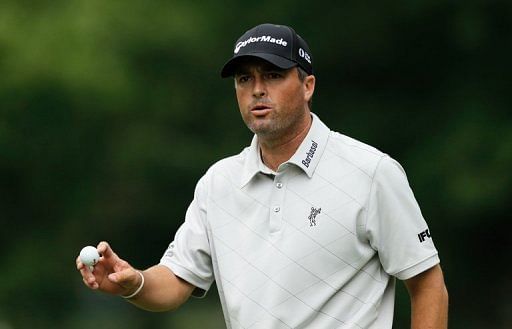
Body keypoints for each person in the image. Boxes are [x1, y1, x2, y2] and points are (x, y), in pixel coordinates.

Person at [76, 23, 449, 328]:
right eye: (244, 79)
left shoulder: (371, 172)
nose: (256, 89)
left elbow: (428, 284)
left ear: (308, 86)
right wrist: (132, 282)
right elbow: (175, 282)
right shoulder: (218, 183)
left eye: (272, 75)